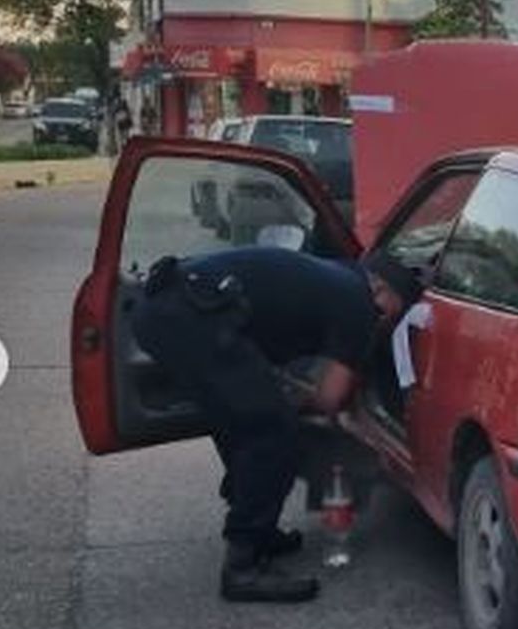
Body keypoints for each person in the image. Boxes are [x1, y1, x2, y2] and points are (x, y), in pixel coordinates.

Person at [131, 246, 420, 602]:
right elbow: (330, 398)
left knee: (237, 418)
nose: (390, 324)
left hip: (161, 308)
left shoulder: (334, 273)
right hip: (195, 318)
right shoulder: (360, 305)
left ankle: (259, 531)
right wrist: (301, 403)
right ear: (380, 290)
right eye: (396, 311)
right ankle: (243, 567)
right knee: (273, 432)